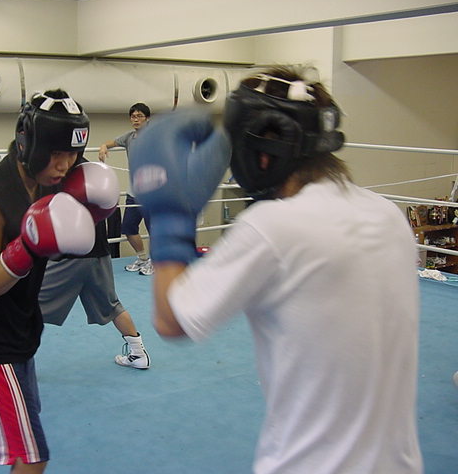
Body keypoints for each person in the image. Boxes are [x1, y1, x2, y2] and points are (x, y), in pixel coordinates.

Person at [130, 66, 423, 473]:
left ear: (263, 152)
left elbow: (170, 318)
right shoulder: (387, 214)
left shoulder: (273, 227)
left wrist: (169, 218)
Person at [0, 89, 114, 474]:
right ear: (28, 143)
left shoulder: (48, 181)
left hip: (20, 330)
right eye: (56, 153)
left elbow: (63, 238)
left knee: (2, 426)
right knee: (30, 456)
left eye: (72, 154)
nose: (64, 165)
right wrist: (25, 245)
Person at [39, 158, 150, 369]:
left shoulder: (56, 170)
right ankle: (138, 353)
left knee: (32, 308)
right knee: (112, 305)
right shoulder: (90, 169)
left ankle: (18, 361)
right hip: (98, 253)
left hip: (68, 255)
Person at [98, 102, 153, 276]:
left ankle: (156, 261)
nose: (136, 120)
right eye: (133, 116)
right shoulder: (130, 137)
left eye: (140, 116)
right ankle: (142, 258)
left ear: (147, 119)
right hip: (134, 192)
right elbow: (111, 142)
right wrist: (103, 147)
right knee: (128, 228)